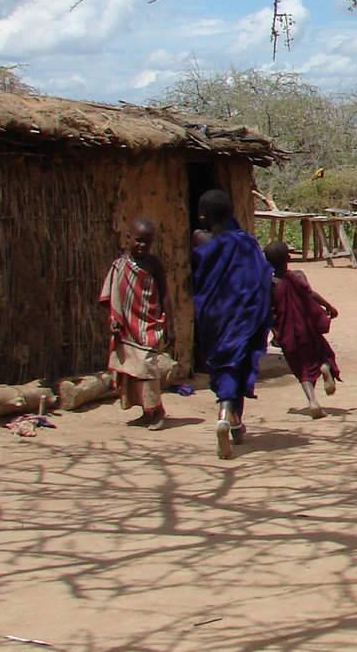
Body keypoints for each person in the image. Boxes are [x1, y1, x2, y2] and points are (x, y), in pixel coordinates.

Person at [191, 188, 274, 460]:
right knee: (238, 364)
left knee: (223, 365)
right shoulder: (247, 243)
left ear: (203, 217)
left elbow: (199, 279)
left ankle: (232, 420)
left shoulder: (200, 240)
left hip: (214, 318)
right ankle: (228, 413)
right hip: (243, 316)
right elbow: (262, 277)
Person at [98, 217, 172, 430]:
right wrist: (114, 320)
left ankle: (157, 410)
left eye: (147, 242)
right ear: (128, 238)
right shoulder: (120, 265)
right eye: (138, 240)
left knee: (147, 369)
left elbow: (165, 294)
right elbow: (114, 296)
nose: (142, 246)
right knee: (132, 371)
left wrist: (171, 325)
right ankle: (145, 411)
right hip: (127, 327)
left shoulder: (153, 264)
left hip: (147, 325)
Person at [264, 240, 340, 417]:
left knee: (301, 368)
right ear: (289, 258)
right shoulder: (297, 276)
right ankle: (324, 367)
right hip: (307, 329)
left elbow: (267, 310)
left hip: (287, 333)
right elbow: (310, 294)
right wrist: (328, 306)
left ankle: (312, 401)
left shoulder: (270, 285)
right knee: (323, 354)